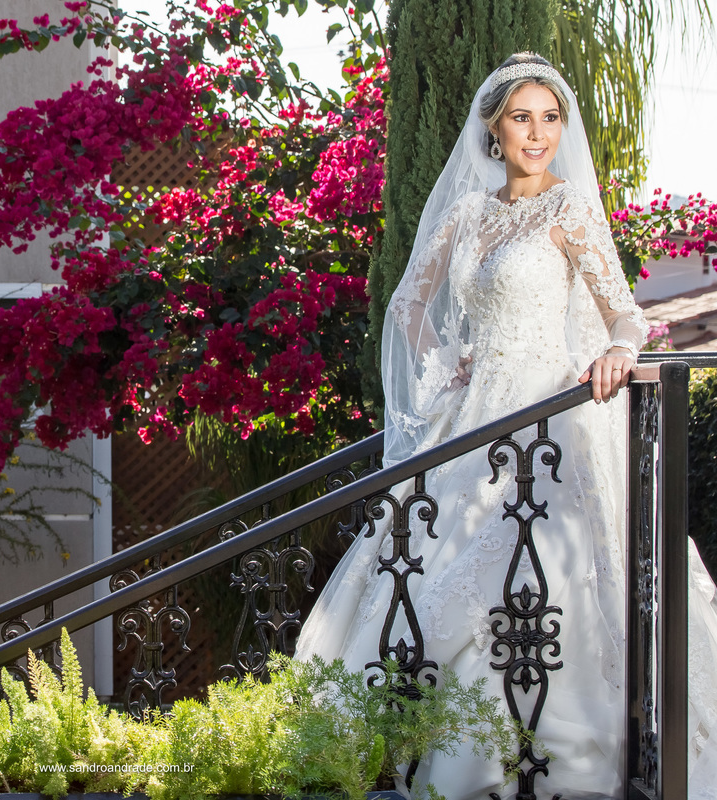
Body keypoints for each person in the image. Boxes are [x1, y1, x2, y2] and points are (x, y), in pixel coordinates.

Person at [293, 53, 717, 798]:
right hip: (474, 414)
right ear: (494, 128)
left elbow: (626, 316)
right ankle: (409, 744)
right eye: (522, 117)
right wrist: (448, 361)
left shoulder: (570, 210)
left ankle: (534, 753)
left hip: (548, 414)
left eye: (549, 118)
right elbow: (406, 310)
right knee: (432, 562)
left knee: (538, 573)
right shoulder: (467, 212)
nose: (538, 132)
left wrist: (617, 355)